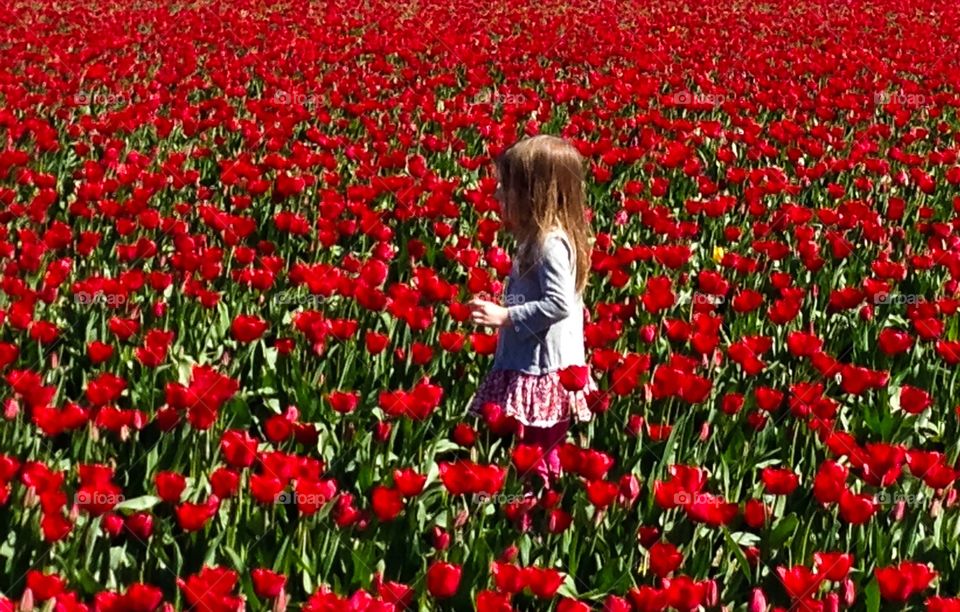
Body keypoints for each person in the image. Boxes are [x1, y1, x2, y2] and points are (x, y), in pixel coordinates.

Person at [468, 134, 597, 488]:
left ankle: (538, 509)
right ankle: (534, 504)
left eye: (505, 188)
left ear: (534, 194)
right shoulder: (536, 237)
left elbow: (559, 303)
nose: (496, 195)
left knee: (539, 450)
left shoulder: (550, 243)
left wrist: (505, 316)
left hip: (545, 367)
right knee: (533, 446)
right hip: (533, 359)